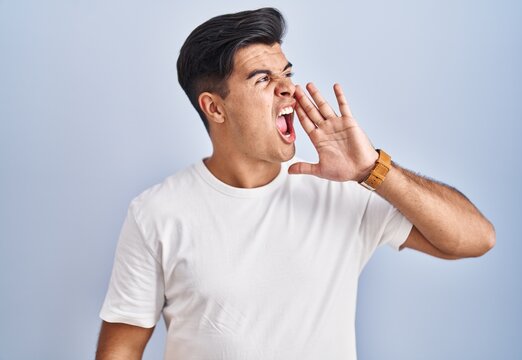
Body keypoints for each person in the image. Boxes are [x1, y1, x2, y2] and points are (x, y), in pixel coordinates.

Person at [95, 7, 495, 360]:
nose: (288, 88)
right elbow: (121, 349)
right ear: (214, 107)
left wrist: (374, 169)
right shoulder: (157, 213)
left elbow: (476, 239)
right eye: (262, 78)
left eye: (287, 74)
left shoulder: (345, 192)